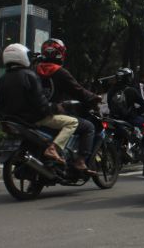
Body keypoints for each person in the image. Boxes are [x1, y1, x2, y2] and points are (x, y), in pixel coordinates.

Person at [0, 44, 95, 174]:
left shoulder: (3, 79)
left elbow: (1, 103)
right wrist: (54, 108)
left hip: (14, 119)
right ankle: (54, 149)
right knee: (73, 122)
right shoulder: (29, 75)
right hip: (34, 118)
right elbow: (39, 101)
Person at [35, 38, 100, 173]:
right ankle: (80, 161)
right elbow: (78, 91)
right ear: (61, 54)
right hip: (49, 113)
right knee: (88, 127)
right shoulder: (60, 72)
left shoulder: (34, 70)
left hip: (34, 113)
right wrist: (94, 97)